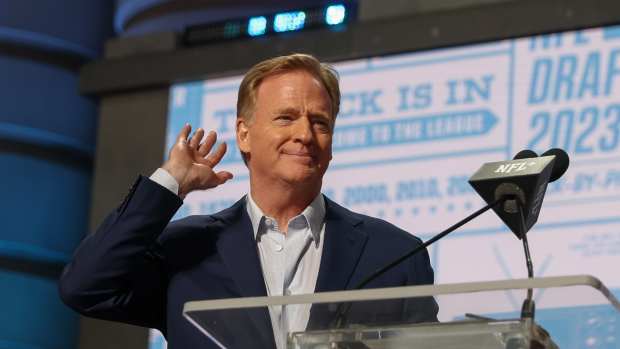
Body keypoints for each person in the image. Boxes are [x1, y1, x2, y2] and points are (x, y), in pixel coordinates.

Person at [59, 53, 438, 349]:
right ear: (244, 134)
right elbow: (85, 287)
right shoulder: (187, 250)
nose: (305, 134)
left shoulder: (394, 255)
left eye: (320, 122)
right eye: (286, 118)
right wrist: (170, 184)